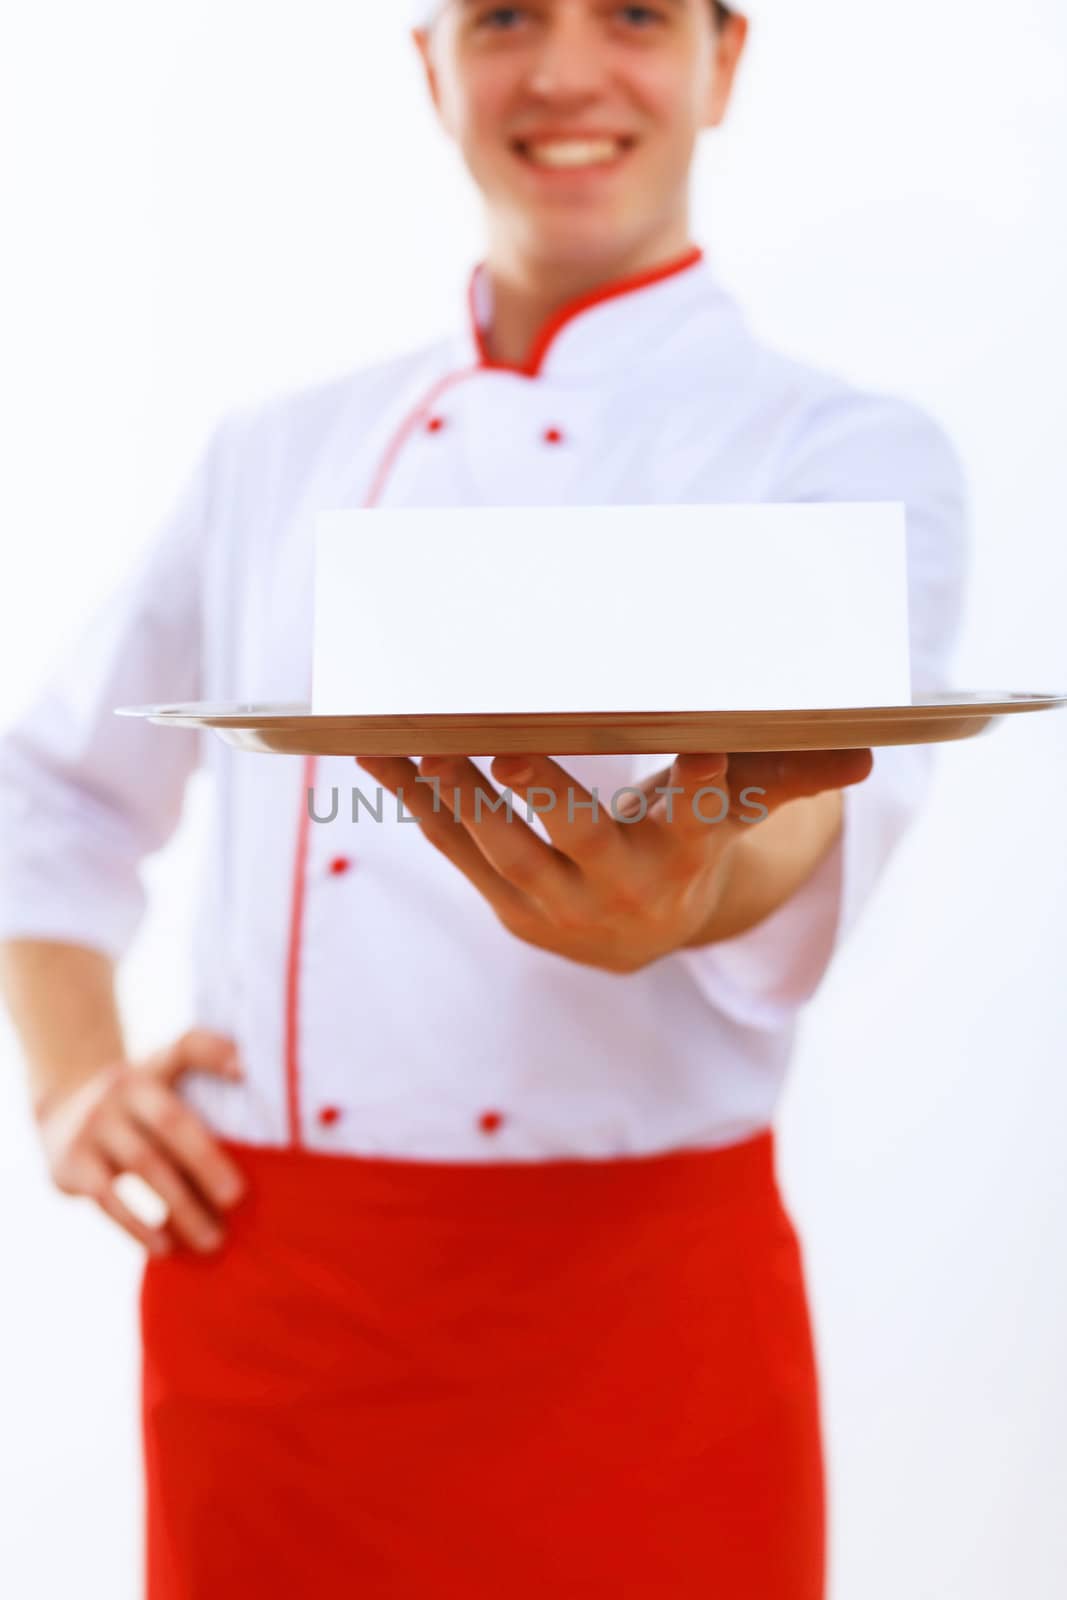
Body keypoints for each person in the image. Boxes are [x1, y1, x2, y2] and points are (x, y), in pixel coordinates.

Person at [0, 2, 968, 1597]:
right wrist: (70, 1085)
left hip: (643, 1323)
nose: (569, 73)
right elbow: (54, 790)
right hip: (274, 1317)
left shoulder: (836, 454)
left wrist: (696, 890)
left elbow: (823, 809)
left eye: (636, 17)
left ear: (729, 62)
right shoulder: (276, 454)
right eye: (508, 15)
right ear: (431, 62)